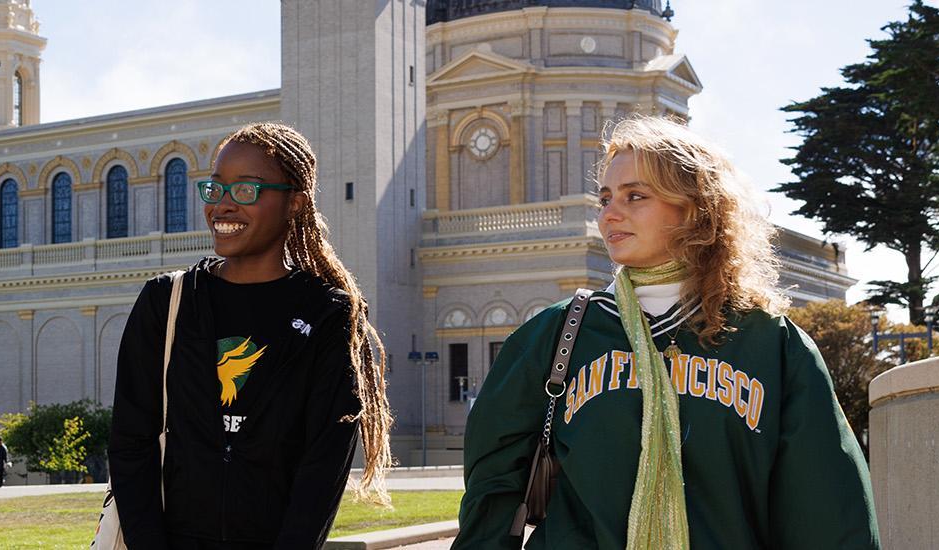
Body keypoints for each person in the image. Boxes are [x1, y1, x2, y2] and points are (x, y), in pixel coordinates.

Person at [454, 116, 880, 548]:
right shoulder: (555, 335)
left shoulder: (772, 343)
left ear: (695, 209)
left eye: (635, 196)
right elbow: (493, 496)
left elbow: (825, 507)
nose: (609, 213)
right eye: (605, 198)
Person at [104, 123, 397, 550]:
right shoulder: (166, 302)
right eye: (216, 188)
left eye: (246, 190)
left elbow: (324, 462)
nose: (222, 206)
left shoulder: (327, 314)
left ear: (294, 202)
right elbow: (131, 442)